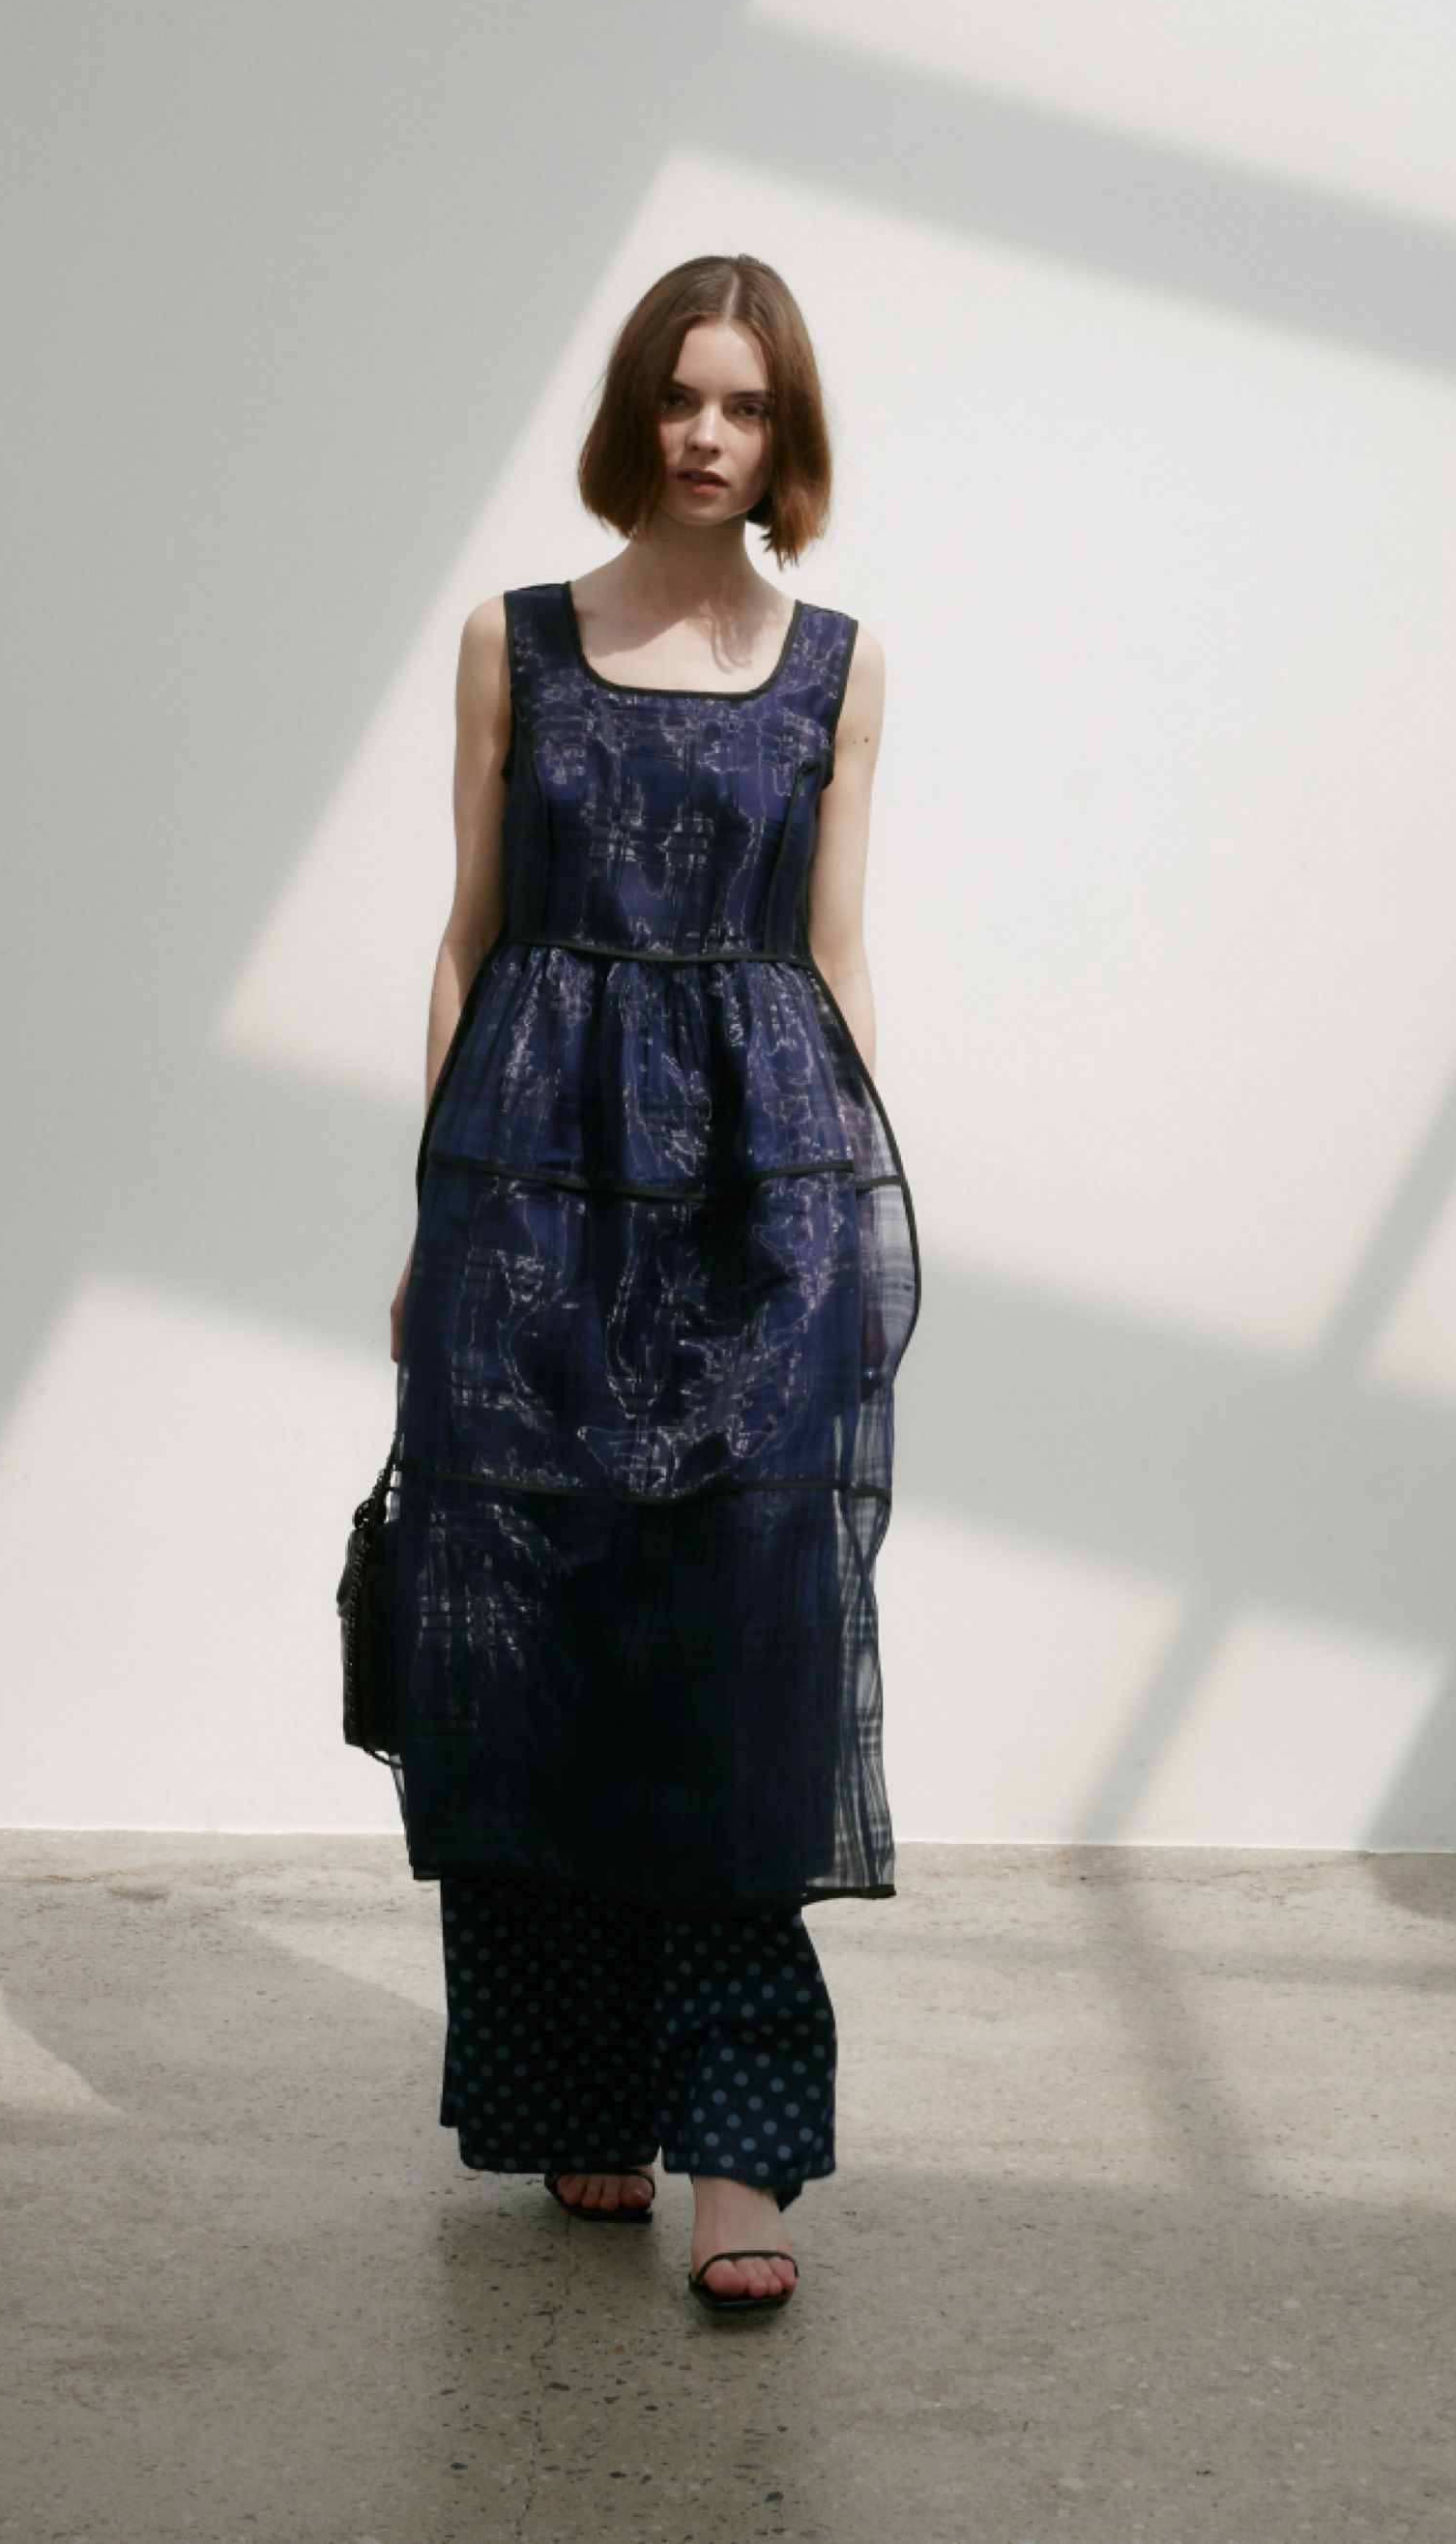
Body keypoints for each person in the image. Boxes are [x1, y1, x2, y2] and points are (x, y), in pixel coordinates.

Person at [383, 252, 920, 2315]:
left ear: (788, 437)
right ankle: (579, 2088)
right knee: (540, 1636)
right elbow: (469, 938)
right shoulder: (513, 642)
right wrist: (438, 1221)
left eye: (748, 405)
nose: (710, 434)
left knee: (743, 1655)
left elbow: (835, 955)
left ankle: (742, 2151)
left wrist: (849, 1215)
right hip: (534, 1189)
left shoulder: (836, 666)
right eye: (683, 396)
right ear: (634, 411)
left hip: (760, 1195)